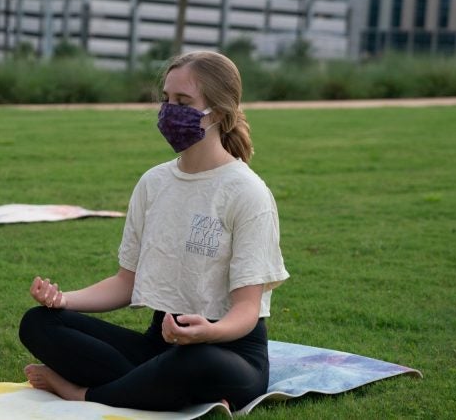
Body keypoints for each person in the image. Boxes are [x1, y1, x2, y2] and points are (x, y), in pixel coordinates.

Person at [17, 51, 290, 412]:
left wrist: (207, 333)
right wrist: (63, 299)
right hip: (159, 345)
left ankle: (81, 394)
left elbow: (246, 310)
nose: (169, 110)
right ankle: (152, 387)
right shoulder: (154, 182)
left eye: (183, 101)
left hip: (225, 353)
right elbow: (125, 283)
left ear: (219, 113)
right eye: (166, 99)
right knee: (38, 324)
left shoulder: (247, 192)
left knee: (194, 363)